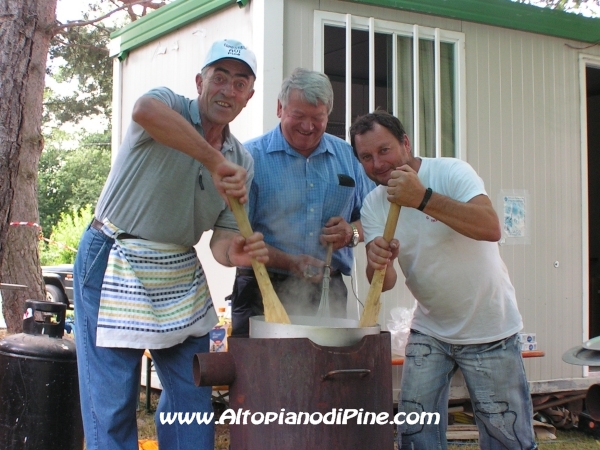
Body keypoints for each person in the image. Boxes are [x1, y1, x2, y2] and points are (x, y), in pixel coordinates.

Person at [73, 39, 267, 450]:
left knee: (192, 392)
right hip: (113, 254)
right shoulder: (169, 106)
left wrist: (235, 253)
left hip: (178, 266)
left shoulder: (241, 160)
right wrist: (212, 160)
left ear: (249, 97)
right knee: (111, 398)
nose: (227, 91)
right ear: (200, 81)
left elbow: (222, 238)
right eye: (219, 78)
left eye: (239, 83)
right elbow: (143, 111)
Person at [350, 110, 537, 450]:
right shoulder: (374, 204)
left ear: (405, 144)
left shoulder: (449, 171)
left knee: (506, 439)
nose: (377, 163)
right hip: (431, 330)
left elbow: (490, 227)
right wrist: (377, 261)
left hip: (489, 327)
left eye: (384, 150)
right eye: (366, 157)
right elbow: (385, 281)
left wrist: (422, 199)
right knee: (415, 433)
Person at [229, 68, 374, 336]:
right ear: (279, 108)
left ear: (328, 114)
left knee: (324, 371)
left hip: (328, 289)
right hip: (261, 287)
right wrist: (290, 262)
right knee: (260, 374)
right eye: (298, 116)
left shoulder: (349, 157)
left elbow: (376, 218)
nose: (308, 127)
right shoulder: (250, 158)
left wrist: (350, 233)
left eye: (317, 118)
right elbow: (235, 236)